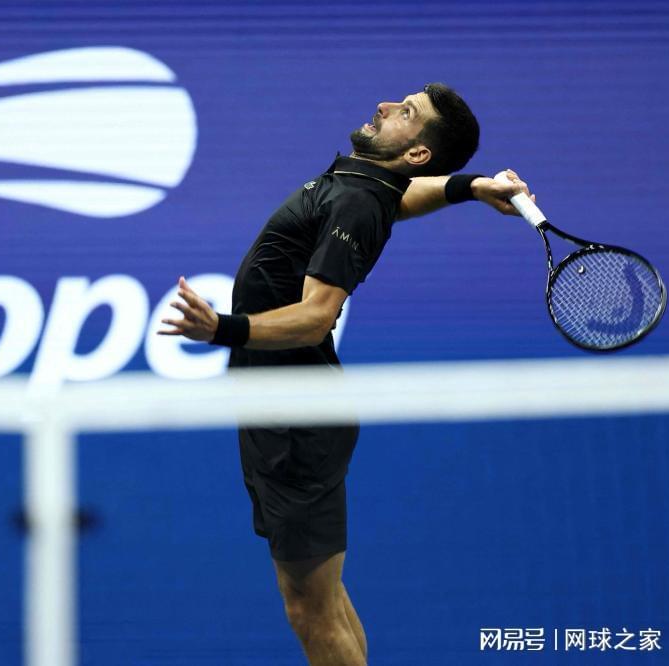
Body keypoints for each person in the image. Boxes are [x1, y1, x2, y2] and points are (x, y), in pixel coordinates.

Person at [157, 83, 534, 666]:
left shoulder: (358, 201)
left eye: (406, 112)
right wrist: (473, 186)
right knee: (322, 601)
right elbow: (404, 197)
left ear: (417, 152)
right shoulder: (369, 184)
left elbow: (316, 316)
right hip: (285, 407)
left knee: (310, 610)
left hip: (294, 420)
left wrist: (222, 329)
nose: (385, 106)